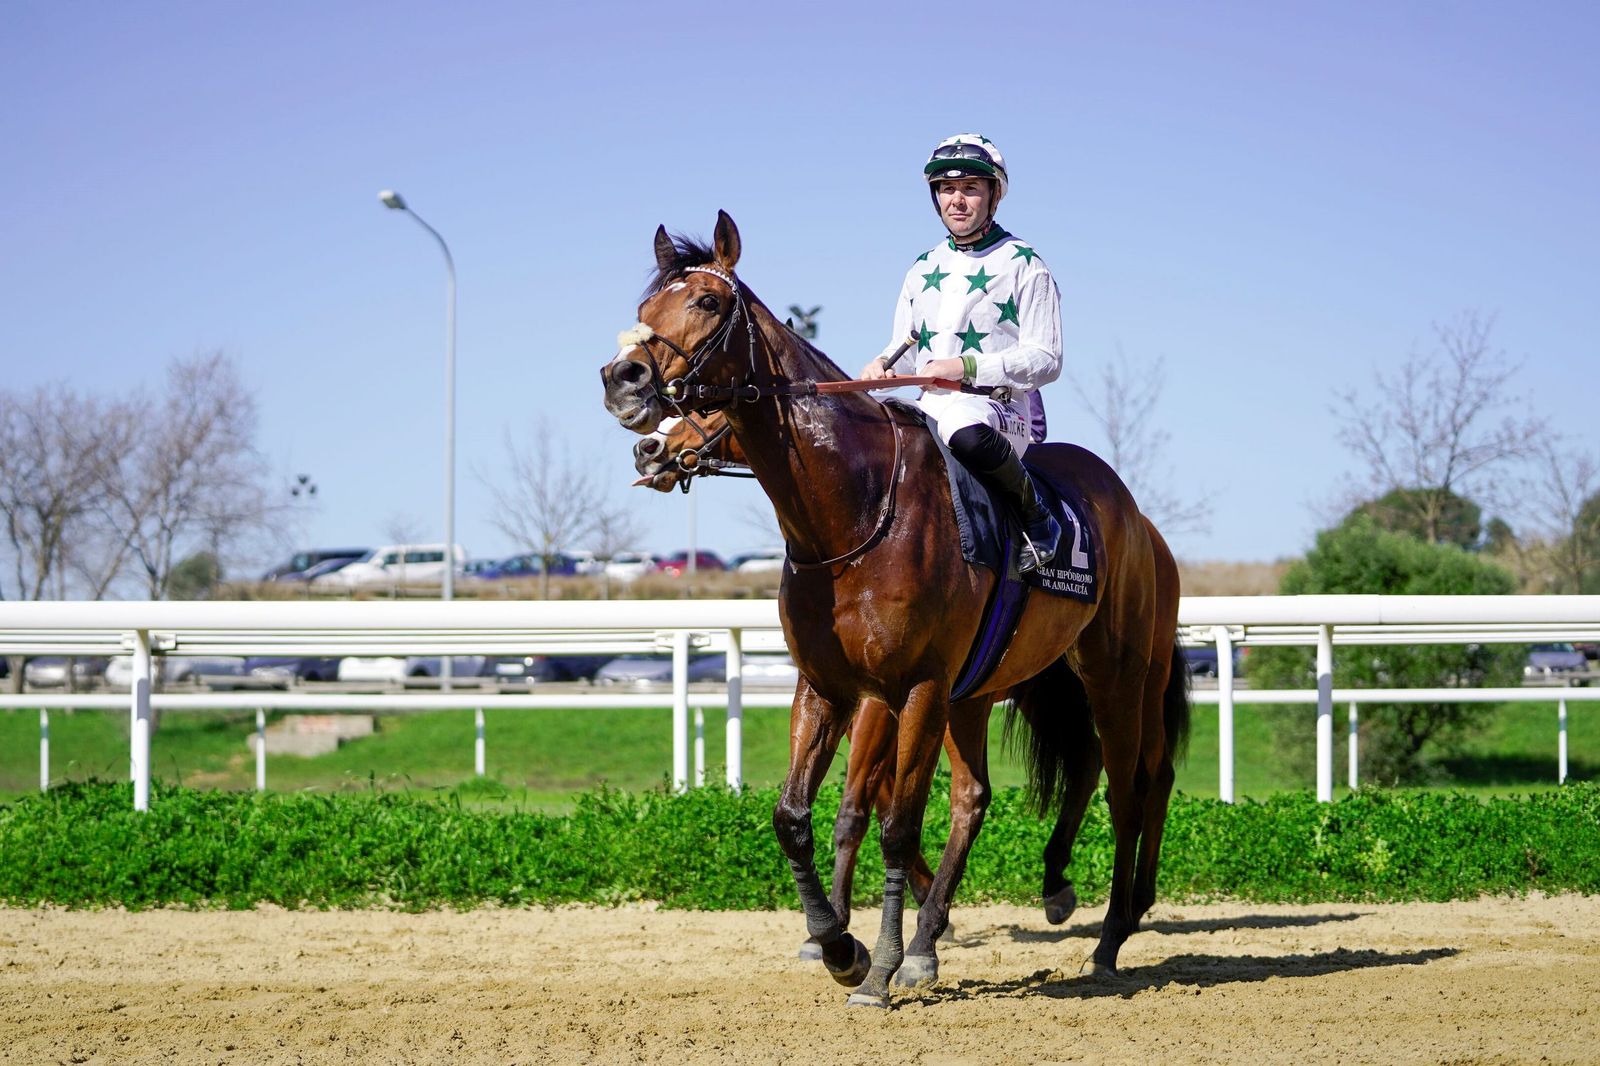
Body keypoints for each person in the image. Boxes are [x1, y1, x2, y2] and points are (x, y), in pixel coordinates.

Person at [860, 133, 1062, 572]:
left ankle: (1039, 520)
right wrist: (883, 369)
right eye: (947, 189)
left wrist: (967, 366)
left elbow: (1048, 359)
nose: (957, 200)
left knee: (959, 423)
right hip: (930, 408)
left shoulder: (1024, 263)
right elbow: (908, 352)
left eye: (971, 188)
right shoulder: (922, 268)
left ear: (993, 196)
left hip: (999, 412)